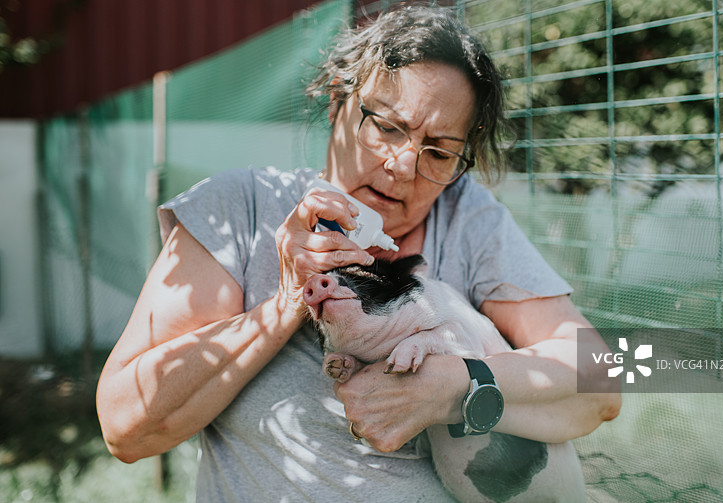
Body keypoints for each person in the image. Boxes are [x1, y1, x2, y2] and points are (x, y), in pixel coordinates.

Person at [96, 5, 620, 501]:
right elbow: (128, 430)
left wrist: (454, 384)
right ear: (336, 101)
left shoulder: (470, 220)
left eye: (439, 151)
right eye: (387, 126)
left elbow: (603, 381)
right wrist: (285, 303)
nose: (404, 166)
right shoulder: (242, 209)